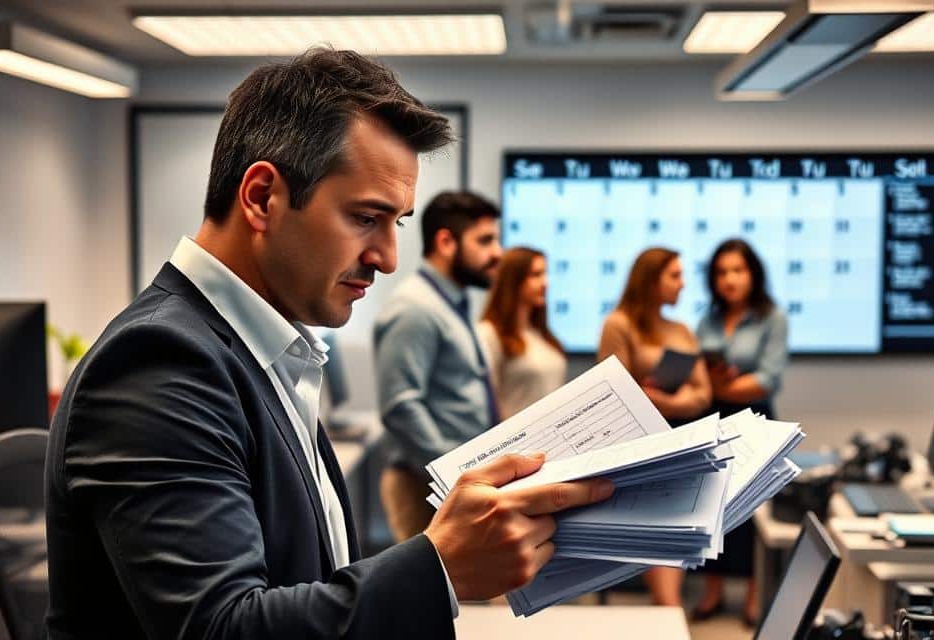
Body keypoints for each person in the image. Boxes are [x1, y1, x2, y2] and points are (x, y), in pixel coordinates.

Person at [45, 49, 614, 639]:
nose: (388, 259)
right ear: (263, 197)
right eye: (366, 218)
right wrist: (440, 566)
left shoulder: (263, 350)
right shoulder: (160, 362)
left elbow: (306, 579)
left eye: (396, 223)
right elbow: (223, 629)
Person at [373, 191, 503, 542]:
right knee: (436, 596)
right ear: (446, 241)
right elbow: (400, 406)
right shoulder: (415, 308)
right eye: (486, 241)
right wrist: (452, 473)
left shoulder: (450, 302)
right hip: (427, 485)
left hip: (452, 482)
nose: (497, 253)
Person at [596, 247, 712, 608]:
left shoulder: (681, 329)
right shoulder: (619, 324)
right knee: (657, 528)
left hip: (681, 438)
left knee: (675, 528)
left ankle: (667, 606)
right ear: (651, 280)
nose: (683, 283)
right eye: (674, 275)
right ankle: (669, 606)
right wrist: (664, 397)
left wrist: (662, 399)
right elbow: (614, 391)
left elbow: (703, 394)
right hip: (640, 444)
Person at [692, 237, 788, 626]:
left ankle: (753, 596)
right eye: (721, 272)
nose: (729, 279)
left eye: (737, 270)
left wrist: (719, 385)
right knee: (710, 505)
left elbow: (767, 378)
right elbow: (697, 369)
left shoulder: (772, 317)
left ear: (753, 274)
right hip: (711, 419)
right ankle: (711, 591)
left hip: (754, 418)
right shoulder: (707, 319)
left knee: (751, 505)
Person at [479, 247, 567, 420]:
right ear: (513, 280)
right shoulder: (489, 334)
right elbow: (488, 401)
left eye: (545, 273)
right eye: (536, 275)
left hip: (552, 439)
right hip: (517, 442)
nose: (545, 283)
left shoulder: (543, 336)